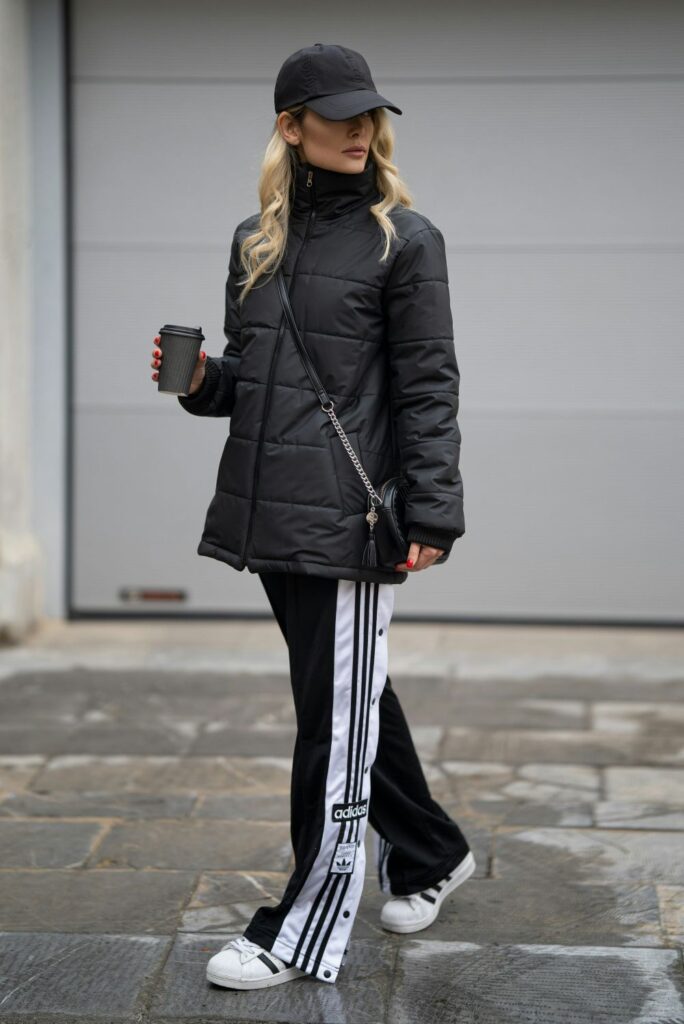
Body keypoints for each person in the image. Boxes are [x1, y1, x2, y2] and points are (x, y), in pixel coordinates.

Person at [150, 42, 474, 990]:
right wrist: (201, 383)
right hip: (271, 513)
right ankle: (432, 850)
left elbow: (428, 387)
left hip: (351, 519)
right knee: (348, 702)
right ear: (291, 126)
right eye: (338, 116)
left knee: (333, 728)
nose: (360, 130)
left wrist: (434, 511)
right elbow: (253, 384)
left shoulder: (405, 240)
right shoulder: (255, 239)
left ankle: (300, 929)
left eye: (369, 114)